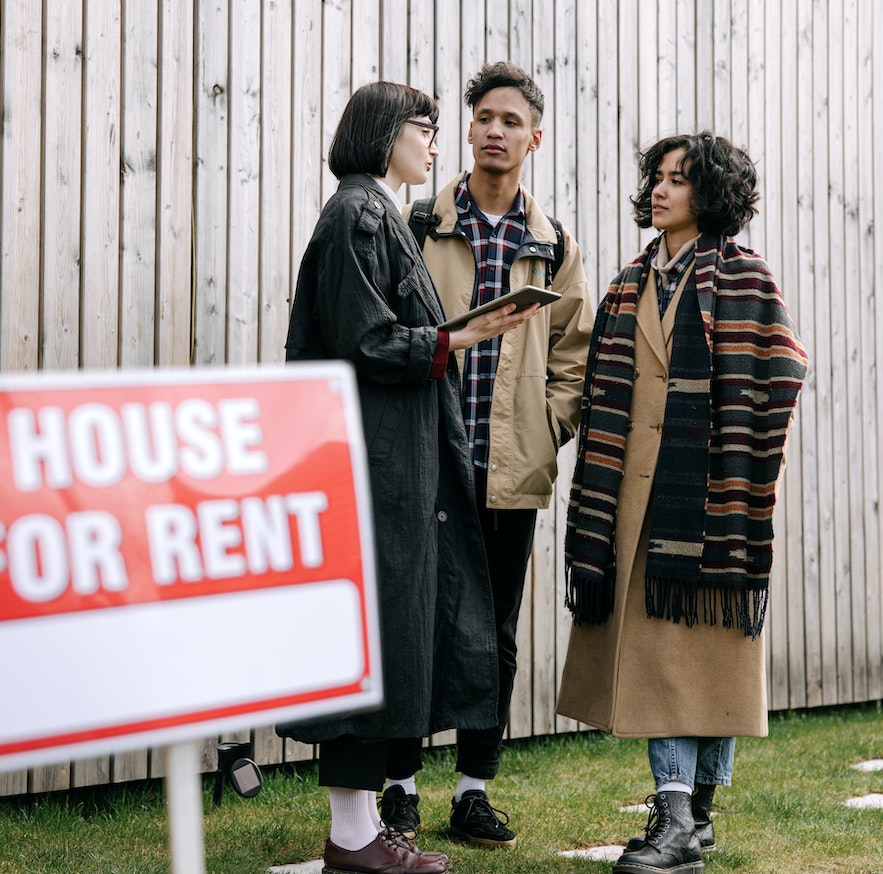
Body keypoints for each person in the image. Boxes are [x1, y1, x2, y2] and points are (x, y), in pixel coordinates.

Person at [279, 81, 539, 874]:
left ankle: (359, 833)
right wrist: (459, 339)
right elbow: (368, 342)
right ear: (387, 132)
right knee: (370, 638)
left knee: (381, 639)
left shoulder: (373, 212)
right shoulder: (360, 213)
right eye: (425, 128)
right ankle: (353, 839)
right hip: (374, 465)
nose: (436, 142)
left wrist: (457, 334)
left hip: (388, 463)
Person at [556, 132, 808, 874]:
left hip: (713, 497)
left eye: (679, 180)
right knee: (663, 658)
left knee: (709, 662)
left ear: (713, 193)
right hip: (631, 499)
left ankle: (690, 820)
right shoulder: (629, 282)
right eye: (656, 178)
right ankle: (678, 816)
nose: (661, 191)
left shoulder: (747, 277)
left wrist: (737, 456)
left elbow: (783, 372)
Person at [379, 61, 594, 851]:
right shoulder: (414, 224)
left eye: (511, 120)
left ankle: (473, 790)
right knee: (411, 623)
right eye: (483, 118)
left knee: (492, 632)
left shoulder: (554, 243)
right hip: (427, 463)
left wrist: (550, 424)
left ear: (535, 137)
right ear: (469, 131)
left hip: (509, 471)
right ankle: (398, 787)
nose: (495, 130)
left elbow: (575, 353)